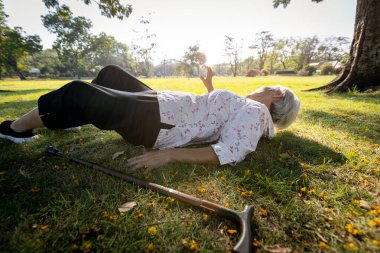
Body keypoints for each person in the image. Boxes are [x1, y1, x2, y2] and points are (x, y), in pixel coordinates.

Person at [0, 65, 300, 172]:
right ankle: (72, 116)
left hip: (158, 121)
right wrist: (210, 85)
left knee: (80, 92)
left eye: (265, 87)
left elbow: (231, 150)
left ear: (274, 96)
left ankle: (16, 129)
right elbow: (214, 112)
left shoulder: (255, 112)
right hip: (163, 104)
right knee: (111, 74)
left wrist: (169, 156)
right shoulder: (248, 108)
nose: (258, 89)